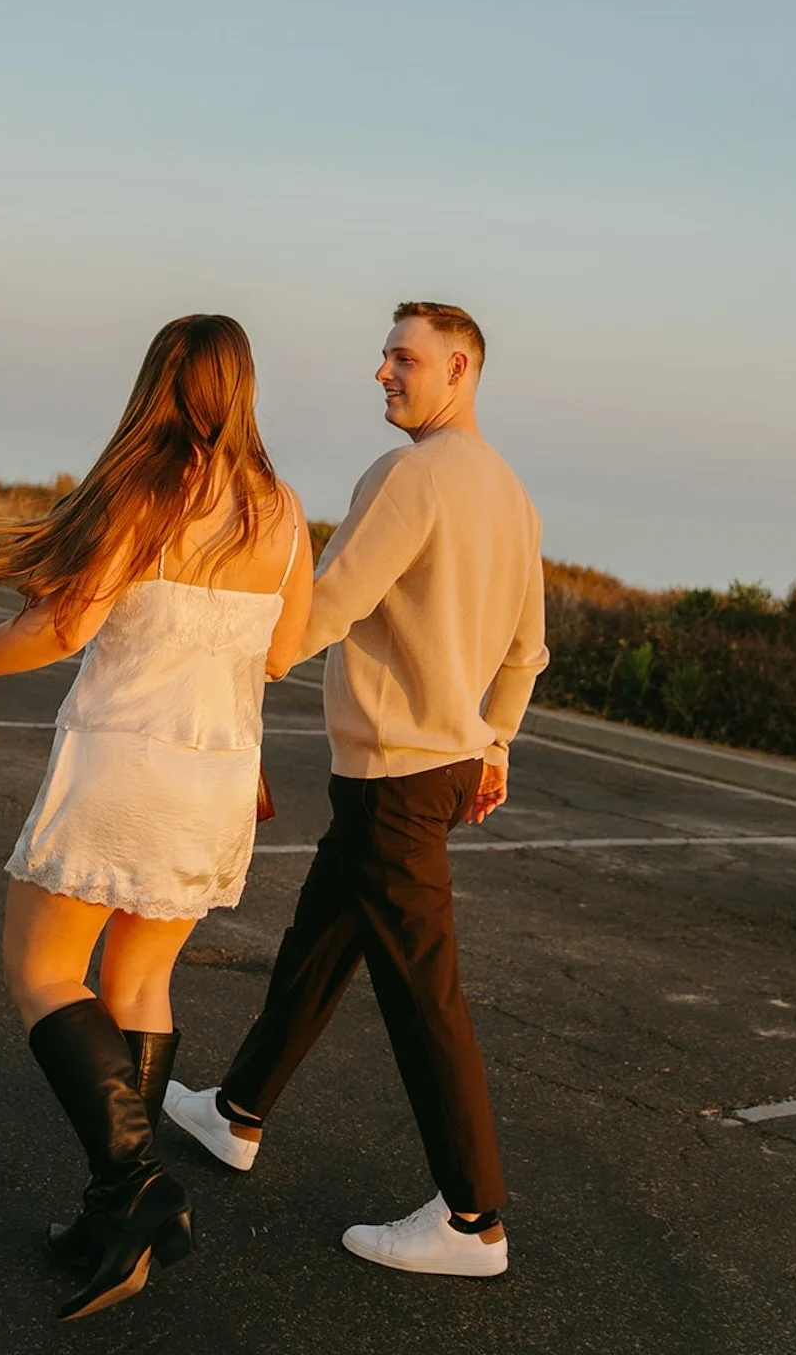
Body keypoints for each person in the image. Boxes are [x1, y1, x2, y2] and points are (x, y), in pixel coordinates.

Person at [0, 314, 313, 1321]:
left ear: (162, 381)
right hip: (216, 780)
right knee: (139, 977)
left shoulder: (146, 489)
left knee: (40, 972)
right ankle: (113, 1207)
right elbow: (284, 653)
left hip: (124, 766)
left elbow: (63, 627)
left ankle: (137, 1186)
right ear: (240, 388)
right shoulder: (281, 510)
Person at [165, 300, 548, 1280]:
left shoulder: (409, 476)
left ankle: (472, 1220)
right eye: (384, 354)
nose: (383, 371)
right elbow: (525, 653)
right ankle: (236, 1113)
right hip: (430, 766)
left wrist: (228, 659)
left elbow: (330, 602)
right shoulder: (510, 494)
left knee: (425, 995)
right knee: (317, 945)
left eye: (402, 358)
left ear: (458, 368)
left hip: (398, 774)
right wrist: (493, 741)